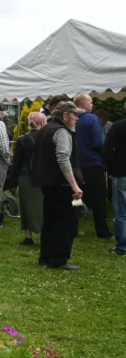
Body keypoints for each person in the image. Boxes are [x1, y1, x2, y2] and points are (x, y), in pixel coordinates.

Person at [33, 101, 85, 269]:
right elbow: (63, 158)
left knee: (50, 221)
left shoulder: (45, 129)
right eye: (74, 115)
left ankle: (46, 257)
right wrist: (74, 185)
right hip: (62, 185)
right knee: (66, 223)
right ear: (65, 115)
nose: (77, 119)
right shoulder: (62, 131)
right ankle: (59, 259)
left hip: (48, 183)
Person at [73, 93, 112, 238]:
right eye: (90, 102)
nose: (92, 104)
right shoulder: (92, 118)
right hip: (92, 163)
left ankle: (74, 227)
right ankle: (102, 231)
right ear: (83, 104)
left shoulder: (70, 119)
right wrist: (107, 158)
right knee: (99, 198)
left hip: (75, 165)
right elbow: (98, 143)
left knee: (77, 197)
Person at [12, 111, 45, 246]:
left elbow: (17, 163)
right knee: (43, 207)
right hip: (43, 176)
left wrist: (13, 181)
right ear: (43, 122)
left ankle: (28, 236)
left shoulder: (22, 139)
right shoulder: (47, 137)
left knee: (26, 207)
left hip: (25, 176)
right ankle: (44, 235)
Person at [103, 101, 126, 256]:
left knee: (122, 212)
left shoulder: (117, 127)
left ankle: (123, 247)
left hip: (121, 172)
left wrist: (112, 169)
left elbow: (107, 150)